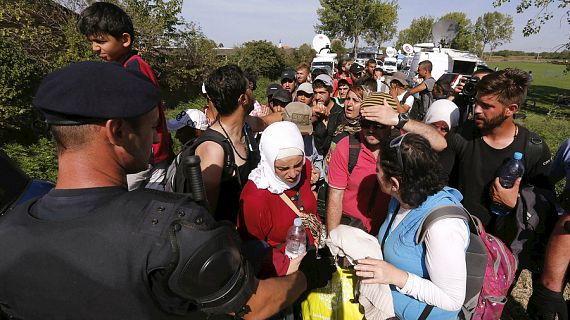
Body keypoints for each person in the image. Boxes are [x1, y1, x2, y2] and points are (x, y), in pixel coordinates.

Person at [0, 61, 313, 319]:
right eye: (151, 127)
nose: (154, 140)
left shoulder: (9, 235)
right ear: (118, 131)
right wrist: (302, 278)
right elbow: (252, 307)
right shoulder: (172, 229)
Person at [354, 133, 469, 319]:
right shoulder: (400, 199)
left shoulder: (444, 227)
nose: (374, 174)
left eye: (377, 170)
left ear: (394, 183)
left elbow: (452, 300)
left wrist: (397, 277)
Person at [441, 68, 552, 230]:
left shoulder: (535, 149)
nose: (477, 110)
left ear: (511, 109)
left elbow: (546, 202)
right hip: (457, 233)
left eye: (486, 106)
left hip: (505, 245)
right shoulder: (460, 136)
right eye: (476, 102)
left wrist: (516, 202)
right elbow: (438, 184)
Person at [77, 2, 172, 190]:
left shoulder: (133, 68)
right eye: (92, 42)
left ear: (125, 39)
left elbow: (145, 116)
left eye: (101, 41)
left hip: (147, 154)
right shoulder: (125, 66)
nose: (95, 48)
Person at [326, 93, 447, 235]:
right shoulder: (346, 147)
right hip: (351, 230)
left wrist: (399, 119)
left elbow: (440, 143)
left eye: (378, 125)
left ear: (390, 125)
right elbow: (335, 196)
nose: (371, 130)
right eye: (366, 124)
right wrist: (332, 238)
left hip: (388, 232)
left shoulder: (402, 145)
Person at [173, 65, 260, 224]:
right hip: (226, 240)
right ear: (243, 99)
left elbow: (267, 121)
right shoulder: (213, 149)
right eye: (249, 88)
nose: (252, 92)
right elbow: (205, 216)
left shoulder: (245, 128)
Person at [238, 122, 320, 278]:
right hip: (281, 273)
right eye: (283, 168)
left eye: (298, 165)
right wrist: (285, 267)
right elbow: (251, 248)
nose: (293, 174)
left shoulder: (306, 168)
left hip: (309, 255)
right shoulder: (255, 197)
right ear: (269, 161)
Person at [312, 74, 344, 157]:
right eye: (315, 93)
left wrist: (324, 123)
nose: (317, 97)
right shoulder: (312, 110)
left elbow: (326, 146)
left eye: (322, 93)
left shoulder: (339, 113)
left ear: (331, 92)